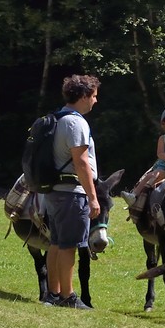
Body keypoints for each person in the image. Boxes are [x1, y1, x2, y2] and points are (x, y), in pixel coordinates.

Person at [44, 74, 101, 310]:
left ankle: (53, 294)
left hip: (54, 191)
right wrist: (93, 197)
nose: (95, 101)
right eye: (94, 96)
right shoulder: (76, 123)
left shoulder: (57, 118)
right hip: (72, 192)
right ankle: (68, 297)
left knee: (56, 243)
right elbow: (81, 162)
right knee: (69, 245)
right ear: (84, 96)